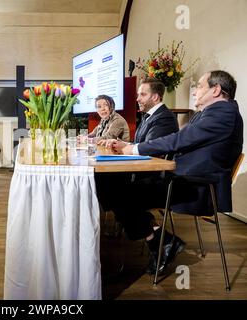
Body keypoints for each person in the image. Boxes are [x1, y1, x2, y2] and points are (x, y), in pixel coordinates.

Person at [104, 70, 244, 274]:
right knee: (114, 186)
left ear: (216, 90)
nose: (194, 92)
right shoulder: (213, 113)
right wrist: (130, 145)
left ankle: (159, 239)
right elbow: (180, 141)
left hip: (196, 188)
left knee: (115, 189)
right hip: (184, 180)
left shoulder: (223, 112)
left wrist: (133, 149)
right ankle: (161, 239)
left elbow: (178, 141)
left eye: (199, 86)